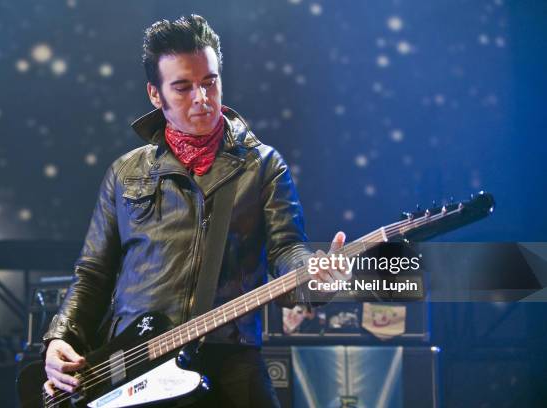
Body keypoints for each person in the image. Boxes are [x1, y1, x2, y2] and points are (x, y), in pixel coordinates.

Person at [42, 14, 347, 407]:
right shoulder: (126, 172)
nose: (202, 99)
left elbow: (288, 249)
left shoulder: (263, 165)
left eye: (210, 82)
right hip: (132, 360)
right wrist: (61, 337)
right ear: (156, 95)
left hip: (229, 353)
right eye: (183, 87)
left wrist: (316, 279)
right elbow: (93, 274)